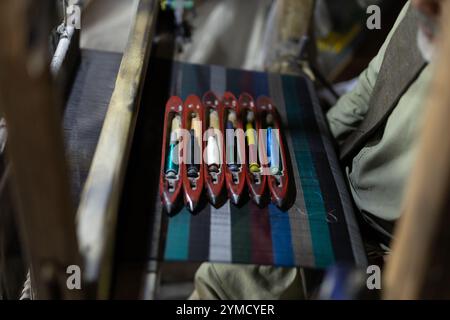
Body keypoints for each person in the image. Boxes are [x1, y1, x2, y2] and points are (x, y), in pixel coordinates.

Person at [190, 0, 443, 300]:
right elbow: (368, 90)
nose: (421, 4)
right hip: (342, 191)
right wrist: (303, 163)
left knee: (234, 282)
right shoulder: (429, 11)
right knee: (225, 270)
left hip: (390, 250)